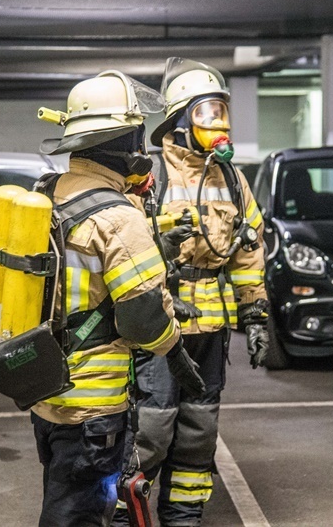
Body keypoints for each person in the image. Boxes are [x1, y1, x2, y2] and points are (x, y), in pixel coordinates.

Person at [31, 70, 205, 526]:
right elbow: (141, 319)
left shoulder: (46, 193)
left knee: (61, 497)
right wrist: (174, 351)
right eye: (137, 134)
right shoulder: (118, 216)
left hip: (45, 388)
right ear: (121, 140)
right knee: (80, 514)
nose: (142, 147)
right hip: (93, 403)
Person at [113, 58, 270, 526]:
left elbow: (248, 249)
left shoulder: (233, 180)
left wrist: (256, 315)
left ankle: (183, 516)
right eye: (206, 111)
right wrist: (160, 247)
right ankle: (124, 513)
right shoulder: (148, 176)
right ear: (180, 120)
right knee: (153, 428)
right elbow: (121, 246)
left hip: (211, 329)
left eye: (222, 110)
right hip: (161, 327)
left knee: (199, 431)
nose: (218, 122)